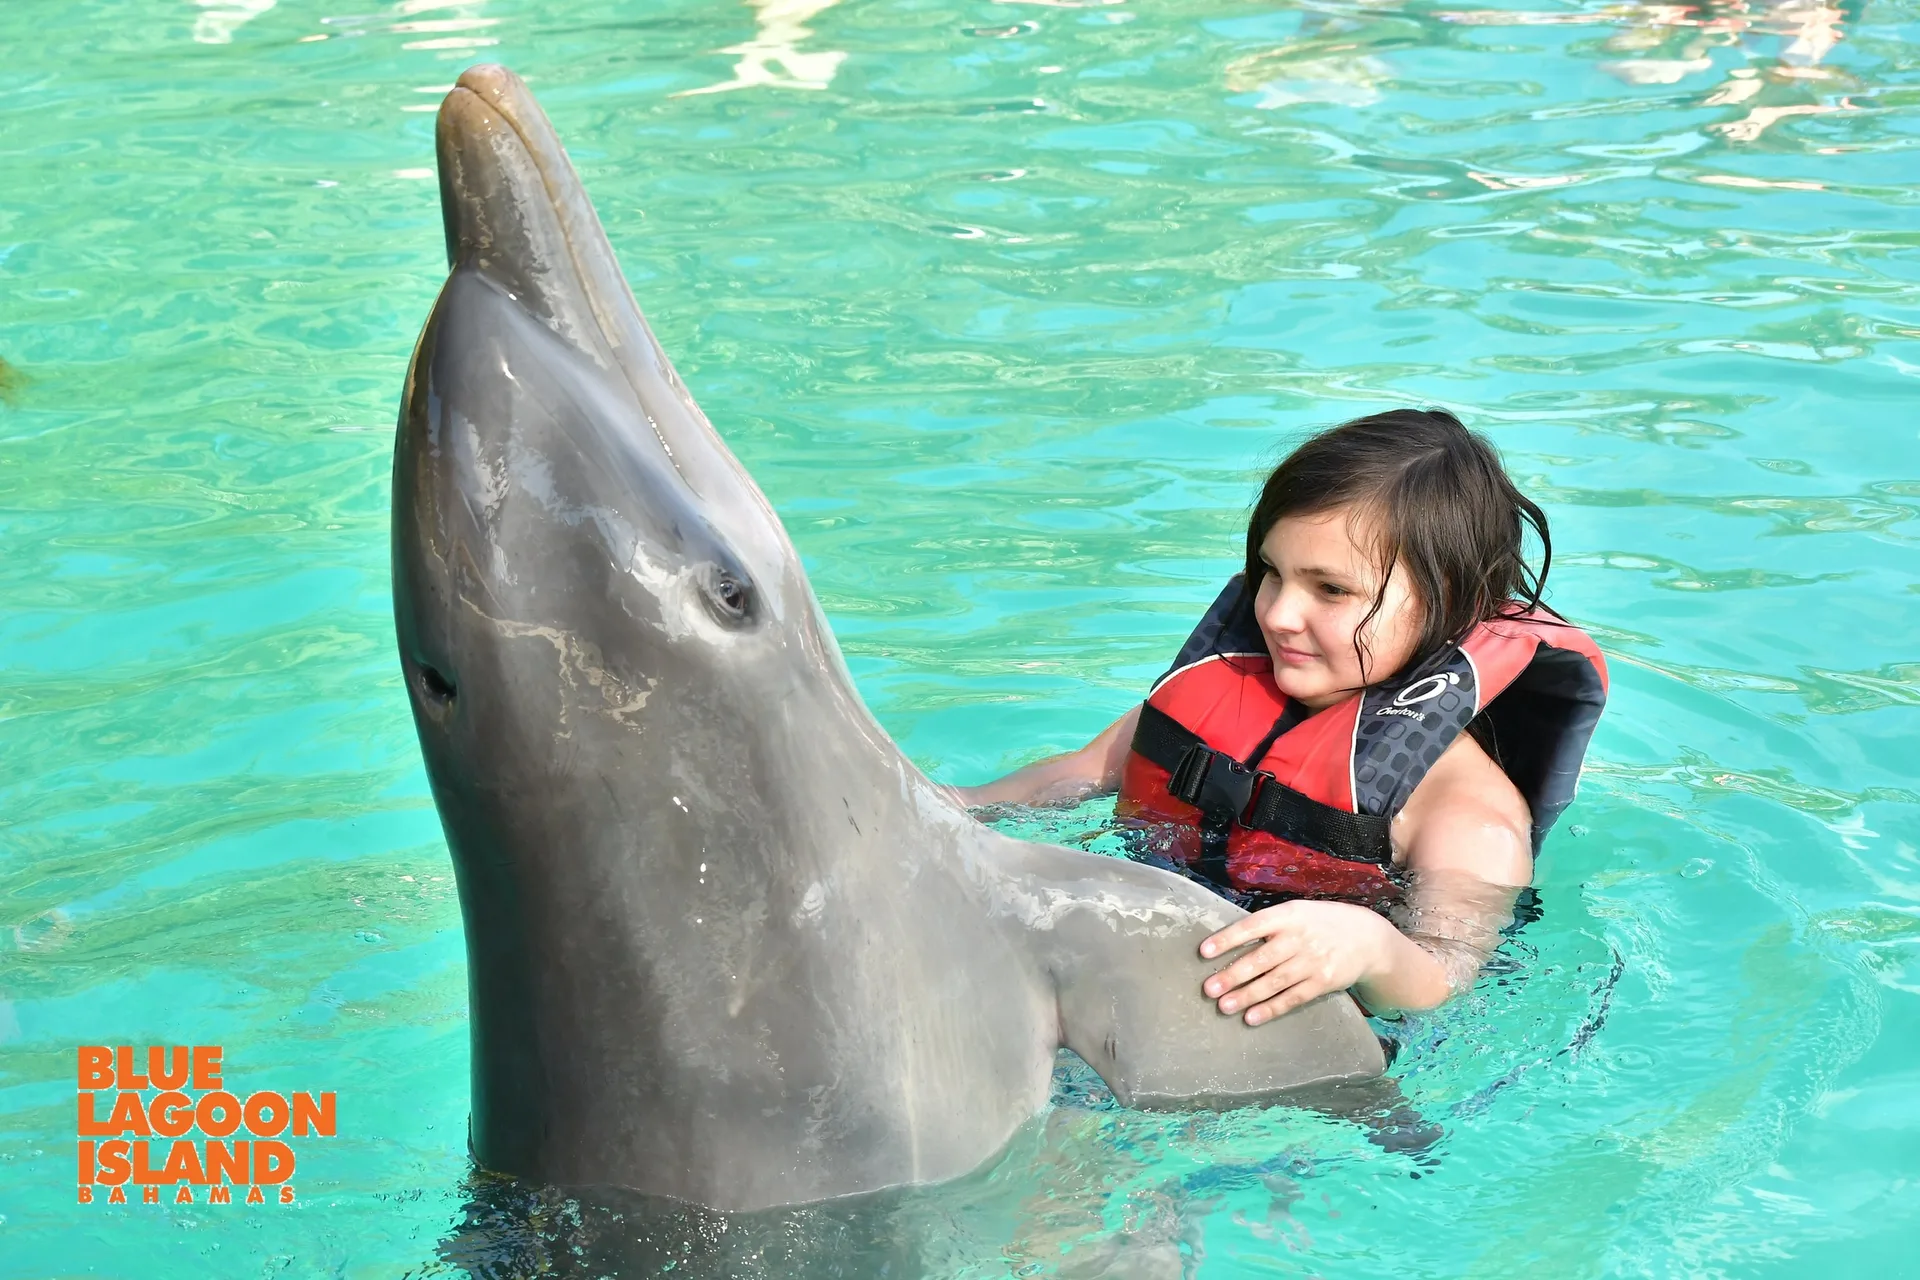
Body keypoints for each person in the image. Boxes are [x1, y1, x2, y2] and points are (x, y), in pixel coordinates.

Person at [956, 409, 1607, 1025]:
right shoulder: (1216, 698)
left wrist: (1372, 948)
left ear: (1453, 602)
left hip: (1302, 1040)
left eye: (1331, 589)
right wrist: (950, 807)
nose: (1278, 614)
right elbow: (1071, 777)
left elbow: (1445, 977)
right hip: (1130, 967)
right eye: (1272, 573)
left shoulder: (1467, 813)